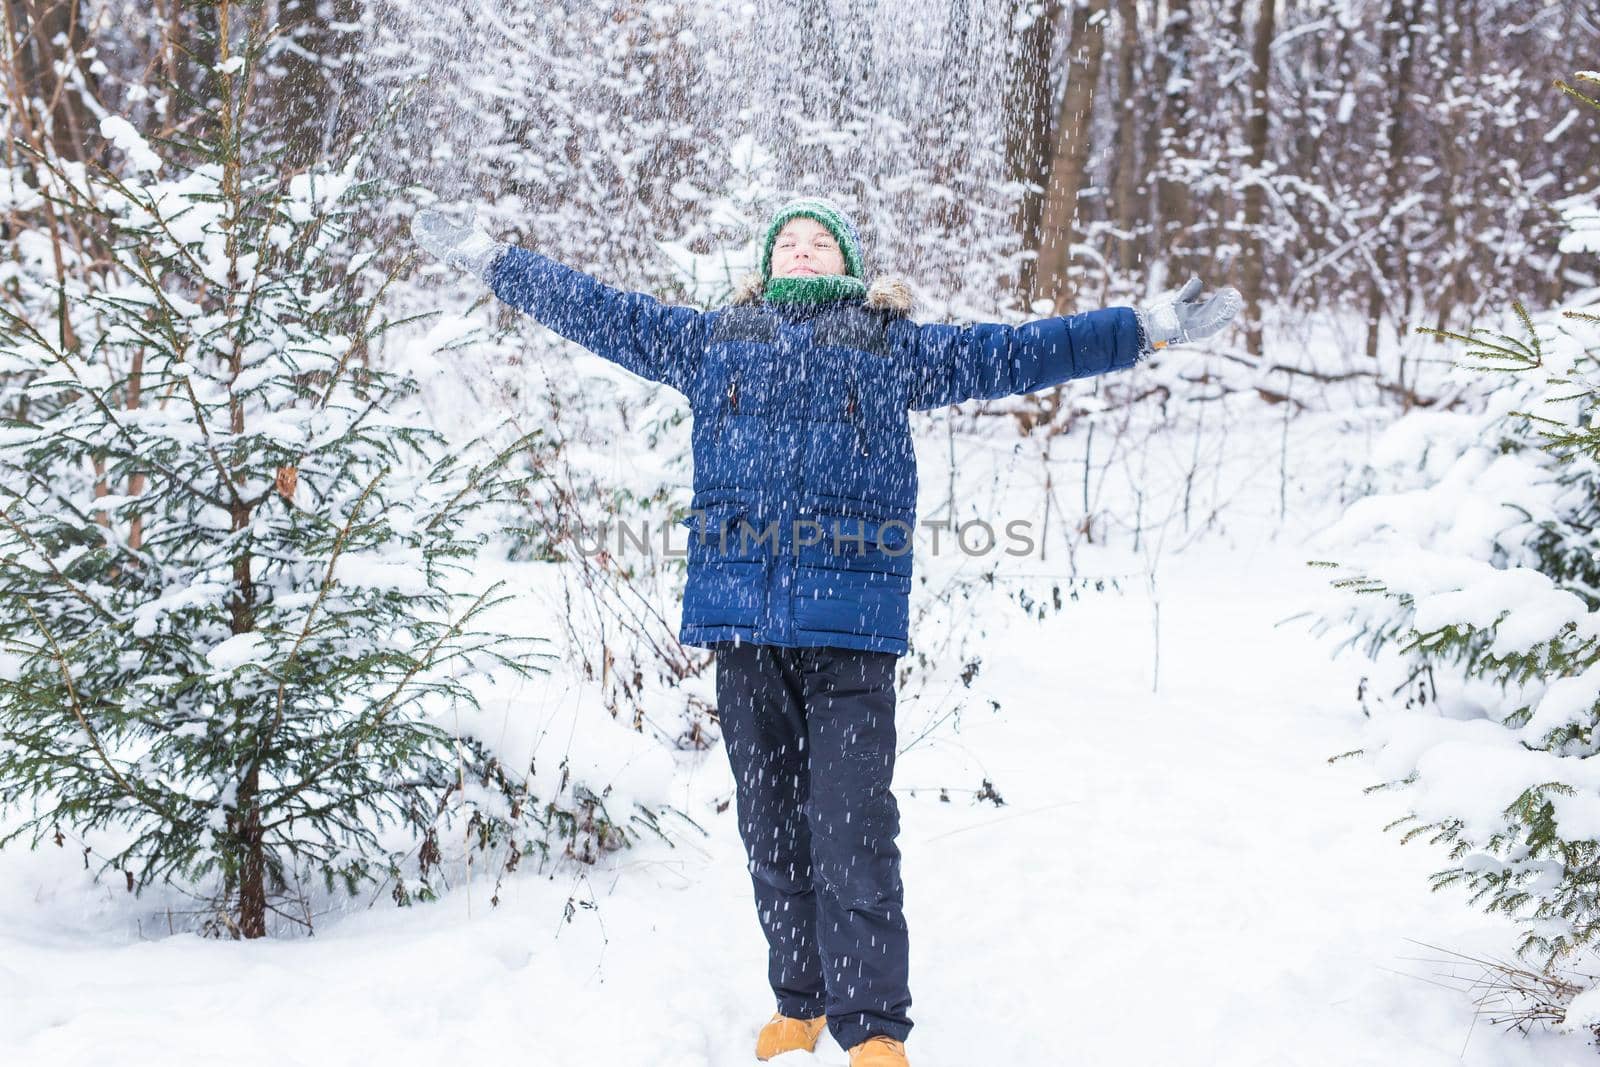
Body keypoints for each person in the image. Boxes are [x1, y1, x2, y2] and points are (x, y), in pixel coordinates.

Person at [412, 195, 1240, 1067]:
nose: (803, 250)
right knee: (772, 829)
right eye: (789, 242)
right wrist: (488, 258)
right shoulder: (712, 342)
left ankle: (875, 1026)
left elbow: (1021, 352)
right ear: (765, 266)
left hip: (851, 633)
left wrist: (1145, 327)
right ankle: (797, 1003)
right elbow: (595, 309)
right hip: (745, 632)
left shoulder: (892, 348)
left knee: (852, 828)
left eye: (821, 241)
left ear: (847, 263)